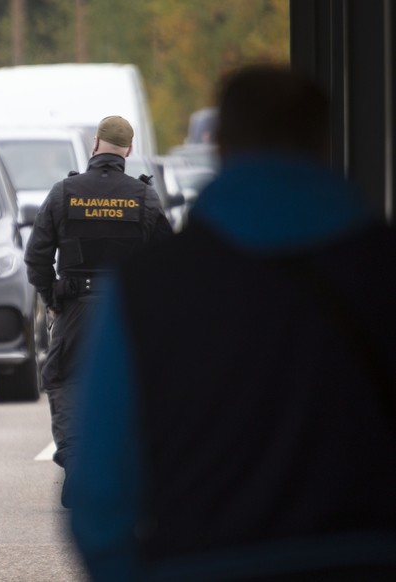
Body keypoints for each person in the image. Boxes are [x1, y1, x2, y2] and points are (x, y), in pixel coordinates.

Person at [68, 64, 396, 580]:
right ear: (324, 142)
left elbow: (100, 492)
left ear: (220, 147)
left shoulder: (146, 288)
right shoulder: (381, 268)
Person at [24, 115, 172, 508]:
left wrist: (52, 298)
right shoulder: (143, 198)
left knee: (65, 382)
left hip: (75, 311)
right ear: (128, 150)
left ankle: (76, 465)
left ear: (96, 144)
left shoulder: (64, 193)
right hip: (126, 314)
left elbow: (36, 257)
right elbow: (169, 261)